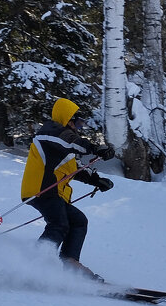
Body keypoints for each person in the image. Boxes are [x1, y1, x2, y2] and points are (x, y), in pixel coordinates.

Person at [20, 97, 115, 281]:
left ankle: (70, 263)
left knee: (78, 221)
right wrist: (95, 148)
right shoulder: (50, 133)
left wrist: (97, 181)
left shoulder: (64, 144)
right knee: (59, 224)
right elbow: (71, 141)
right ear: (67, 119)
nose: (78, 128)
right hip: (40, 189)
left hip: (53, 193)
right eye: (77, 123)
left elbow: (75, 169)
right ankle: (33, 264)